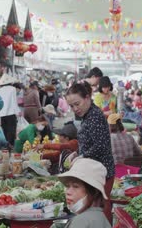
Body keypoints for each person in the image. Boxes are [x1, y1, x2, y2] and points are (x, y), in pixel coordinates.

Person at [65, 82, 115, 223]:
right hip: (95, 170)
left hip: (102, 171)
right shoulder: (88, 115)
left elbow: (101, 146)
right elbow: (90, 142)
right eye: (71, 106)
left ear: (87, 98)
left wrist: (82, 156)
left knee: (100, 208)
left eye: (77, 104)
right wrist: (77, 152)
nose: (75, 108)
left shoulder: (94, 116)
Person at [56, 158, 112, 228]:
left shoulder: (81, 220)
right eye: (67, 186)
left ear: (93, 192)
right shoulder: (100, 216)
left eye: (75, 186)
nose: (68, 192)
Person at [0, 73, 20, 146]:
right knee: (11, 129)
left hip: (2, 113)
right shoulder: (12, 89)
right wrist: (17, 111)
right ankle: (11, 144)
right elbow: (14, 101)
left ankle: (6, 143)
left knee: (5, 129)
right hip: (11, 112)